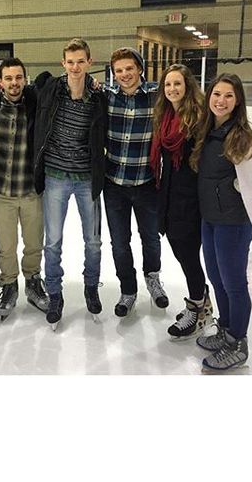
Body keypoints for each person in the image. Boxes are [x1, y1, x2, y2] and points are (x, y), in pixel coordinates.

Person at [190, 73, 252, 373]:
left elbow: (249, 189)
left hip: (234, 223)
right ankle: (226, 330)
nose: (221, 100)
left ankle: (238, 343)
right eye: (216, 94)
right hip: (211, 220)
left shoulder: (240, 138)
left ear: (237, 100)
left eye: (229, 95)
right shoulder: (207, 131)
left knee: (234, 285)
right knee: (217, 280)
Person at [33, 38, 107, 330]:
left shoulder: (99, 96)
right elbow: (22, 93)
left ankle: (91, 287)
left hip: (87, 178)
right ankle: (54, 294)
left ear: (90, 62)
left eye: (80, 62)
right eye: (70, 62)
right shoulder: (51, 89)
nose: (75, 67)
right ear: (63, 63)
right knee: (52, 242)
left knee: (94, 241)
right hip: (55, 177)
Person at [0, 57, 48, 320]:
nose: (14, 83)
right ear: (0, 82)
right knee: (6, 246)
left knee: (34, 244)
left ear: (25, 79)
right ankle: (8, 285)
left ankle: (33, 281)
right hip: (2, 192)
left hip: (31, 191)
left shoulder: (36, 104)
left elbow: (59, 86)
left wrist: (92, 84)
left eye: (18, 77)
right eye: (8, 78)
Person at [103, 47, 168, 319]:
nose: (124, 74)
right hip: (114, 184)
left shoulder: (156, 95)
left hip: (146, 183)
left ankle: (152, 279)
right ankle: (127, 289)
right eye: (118, 70)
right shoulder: (106, 96)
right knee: (120, 242)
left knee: (150, 238)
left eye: (129, 68)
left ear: (140, 69)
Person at [149, 64, 212, 339]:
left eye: (177, 83)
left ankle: (197, 307)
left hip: (191, 195)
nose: (172, 89)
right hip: (170, 192)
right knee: (178, 247)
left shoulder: (198, 118)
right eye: (167, 84)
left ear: (187, 86)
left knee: (187, 252)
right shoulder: (165, 116)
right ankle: (202, 300)